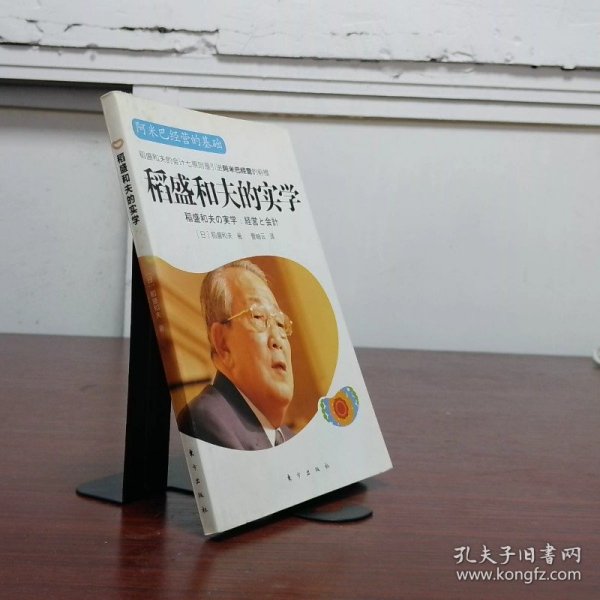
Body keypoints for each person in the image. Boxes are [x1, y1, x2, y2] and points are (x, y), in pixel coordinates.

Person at [177, 259, 295, 450]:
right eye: (258, 316)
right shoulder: (208, 419)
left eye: (280, 323)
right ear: (223, 343)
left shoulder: (288, 437)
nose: (277, 340)